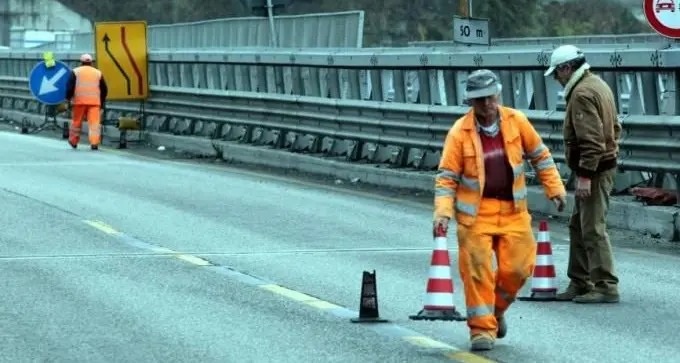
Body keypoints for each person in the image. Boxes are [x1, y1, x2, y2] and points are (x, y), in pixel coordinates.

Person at [433, 69, 567, 351]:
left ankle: (495, 311)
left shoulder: (517, 121)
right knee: (478, 272)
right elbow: (447, 178)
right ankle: (482, 330)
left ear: (499, 95)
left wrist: (555, 190)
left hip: (513, 211)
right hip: (475, 216)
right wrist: (443, 212)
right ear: (470, 102)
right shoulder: (460, 132)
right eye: (479, 100)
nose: (487, 104)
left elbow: (540, 157)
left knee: (518, 269)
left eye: (490, 97)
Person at [544, 45, 621, 304]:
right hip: (599, 166)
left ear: (567, 68)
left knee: (592, 229)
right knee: (578, 226)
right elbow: (614, 127)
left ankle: (605, 285)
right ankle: (579, 281)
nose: (556, 78)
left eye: (557, 73)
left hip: (595, 171)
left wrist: (586, 175)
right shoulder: (597, 84)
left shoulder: (582, 93)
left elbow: (592, 140)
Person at [65, 53, 108, 150]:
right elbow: (104, 89)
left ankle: (73, 141)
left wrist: (68, 98)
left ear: (81, 62)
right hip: (94, 103)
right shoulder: (98, 73)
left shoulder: (75, 72)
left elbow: (69, 88)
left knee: (77, 122)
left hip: (79, 102)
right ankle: (94, 143)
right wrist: (102, 100)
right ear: (91, 62)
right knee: (94, 124)